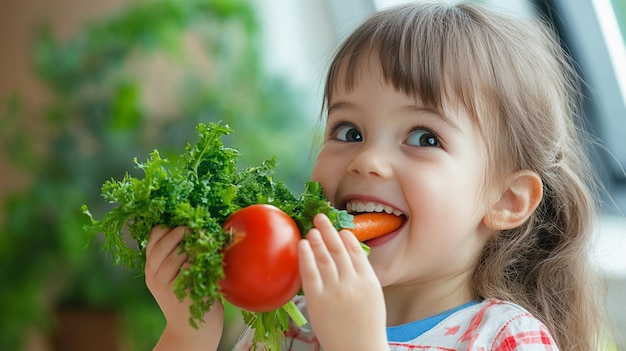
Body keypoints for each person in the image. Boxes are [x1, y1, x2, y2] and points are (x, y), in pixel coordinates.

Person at [145, 2, 609, 350]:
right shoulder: (290, 323)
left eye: (425, 138)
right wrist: (188, 335)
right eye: (348, 130)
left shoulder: (505, 338)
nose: (367, 160)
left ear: (507, 199)